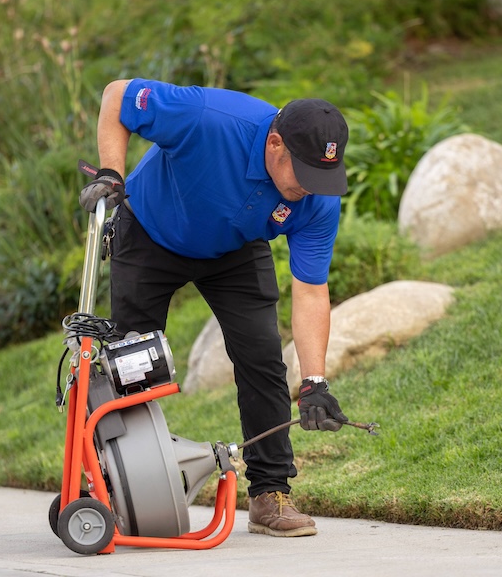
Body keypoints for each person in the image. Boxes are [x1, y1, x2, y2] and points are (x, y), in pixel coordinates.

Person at [79, 78, 350, 538]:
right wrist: (111, 173)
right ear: (275, 143)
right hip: (150, 230)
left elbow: (310, 290)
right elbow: (117, 95)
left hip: (235, 249)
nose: (310, 189)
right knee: (130, 364)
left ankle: (271, 493)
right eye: (303, 174)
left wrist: (315, 382)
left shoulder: (317, 201)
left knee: (263, 357)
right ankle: (111, 486)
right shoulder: (209, 117)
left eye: (321, 177)